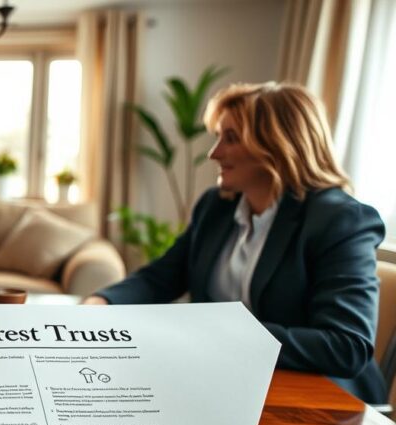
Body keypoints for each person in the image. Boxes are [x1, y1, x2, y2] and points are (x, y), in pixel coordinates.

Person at [86, 82, 386, 403]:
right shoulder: (216, 206)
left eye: (231, 138)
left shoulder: (340, 220)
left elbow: (346, 346)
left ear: (277, 145)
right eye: (218, 137)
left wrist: (223, 334)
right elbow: (160, 278)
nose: (214, 153)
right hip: (229, 386)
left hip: (318, 400)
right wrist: (101, 304)